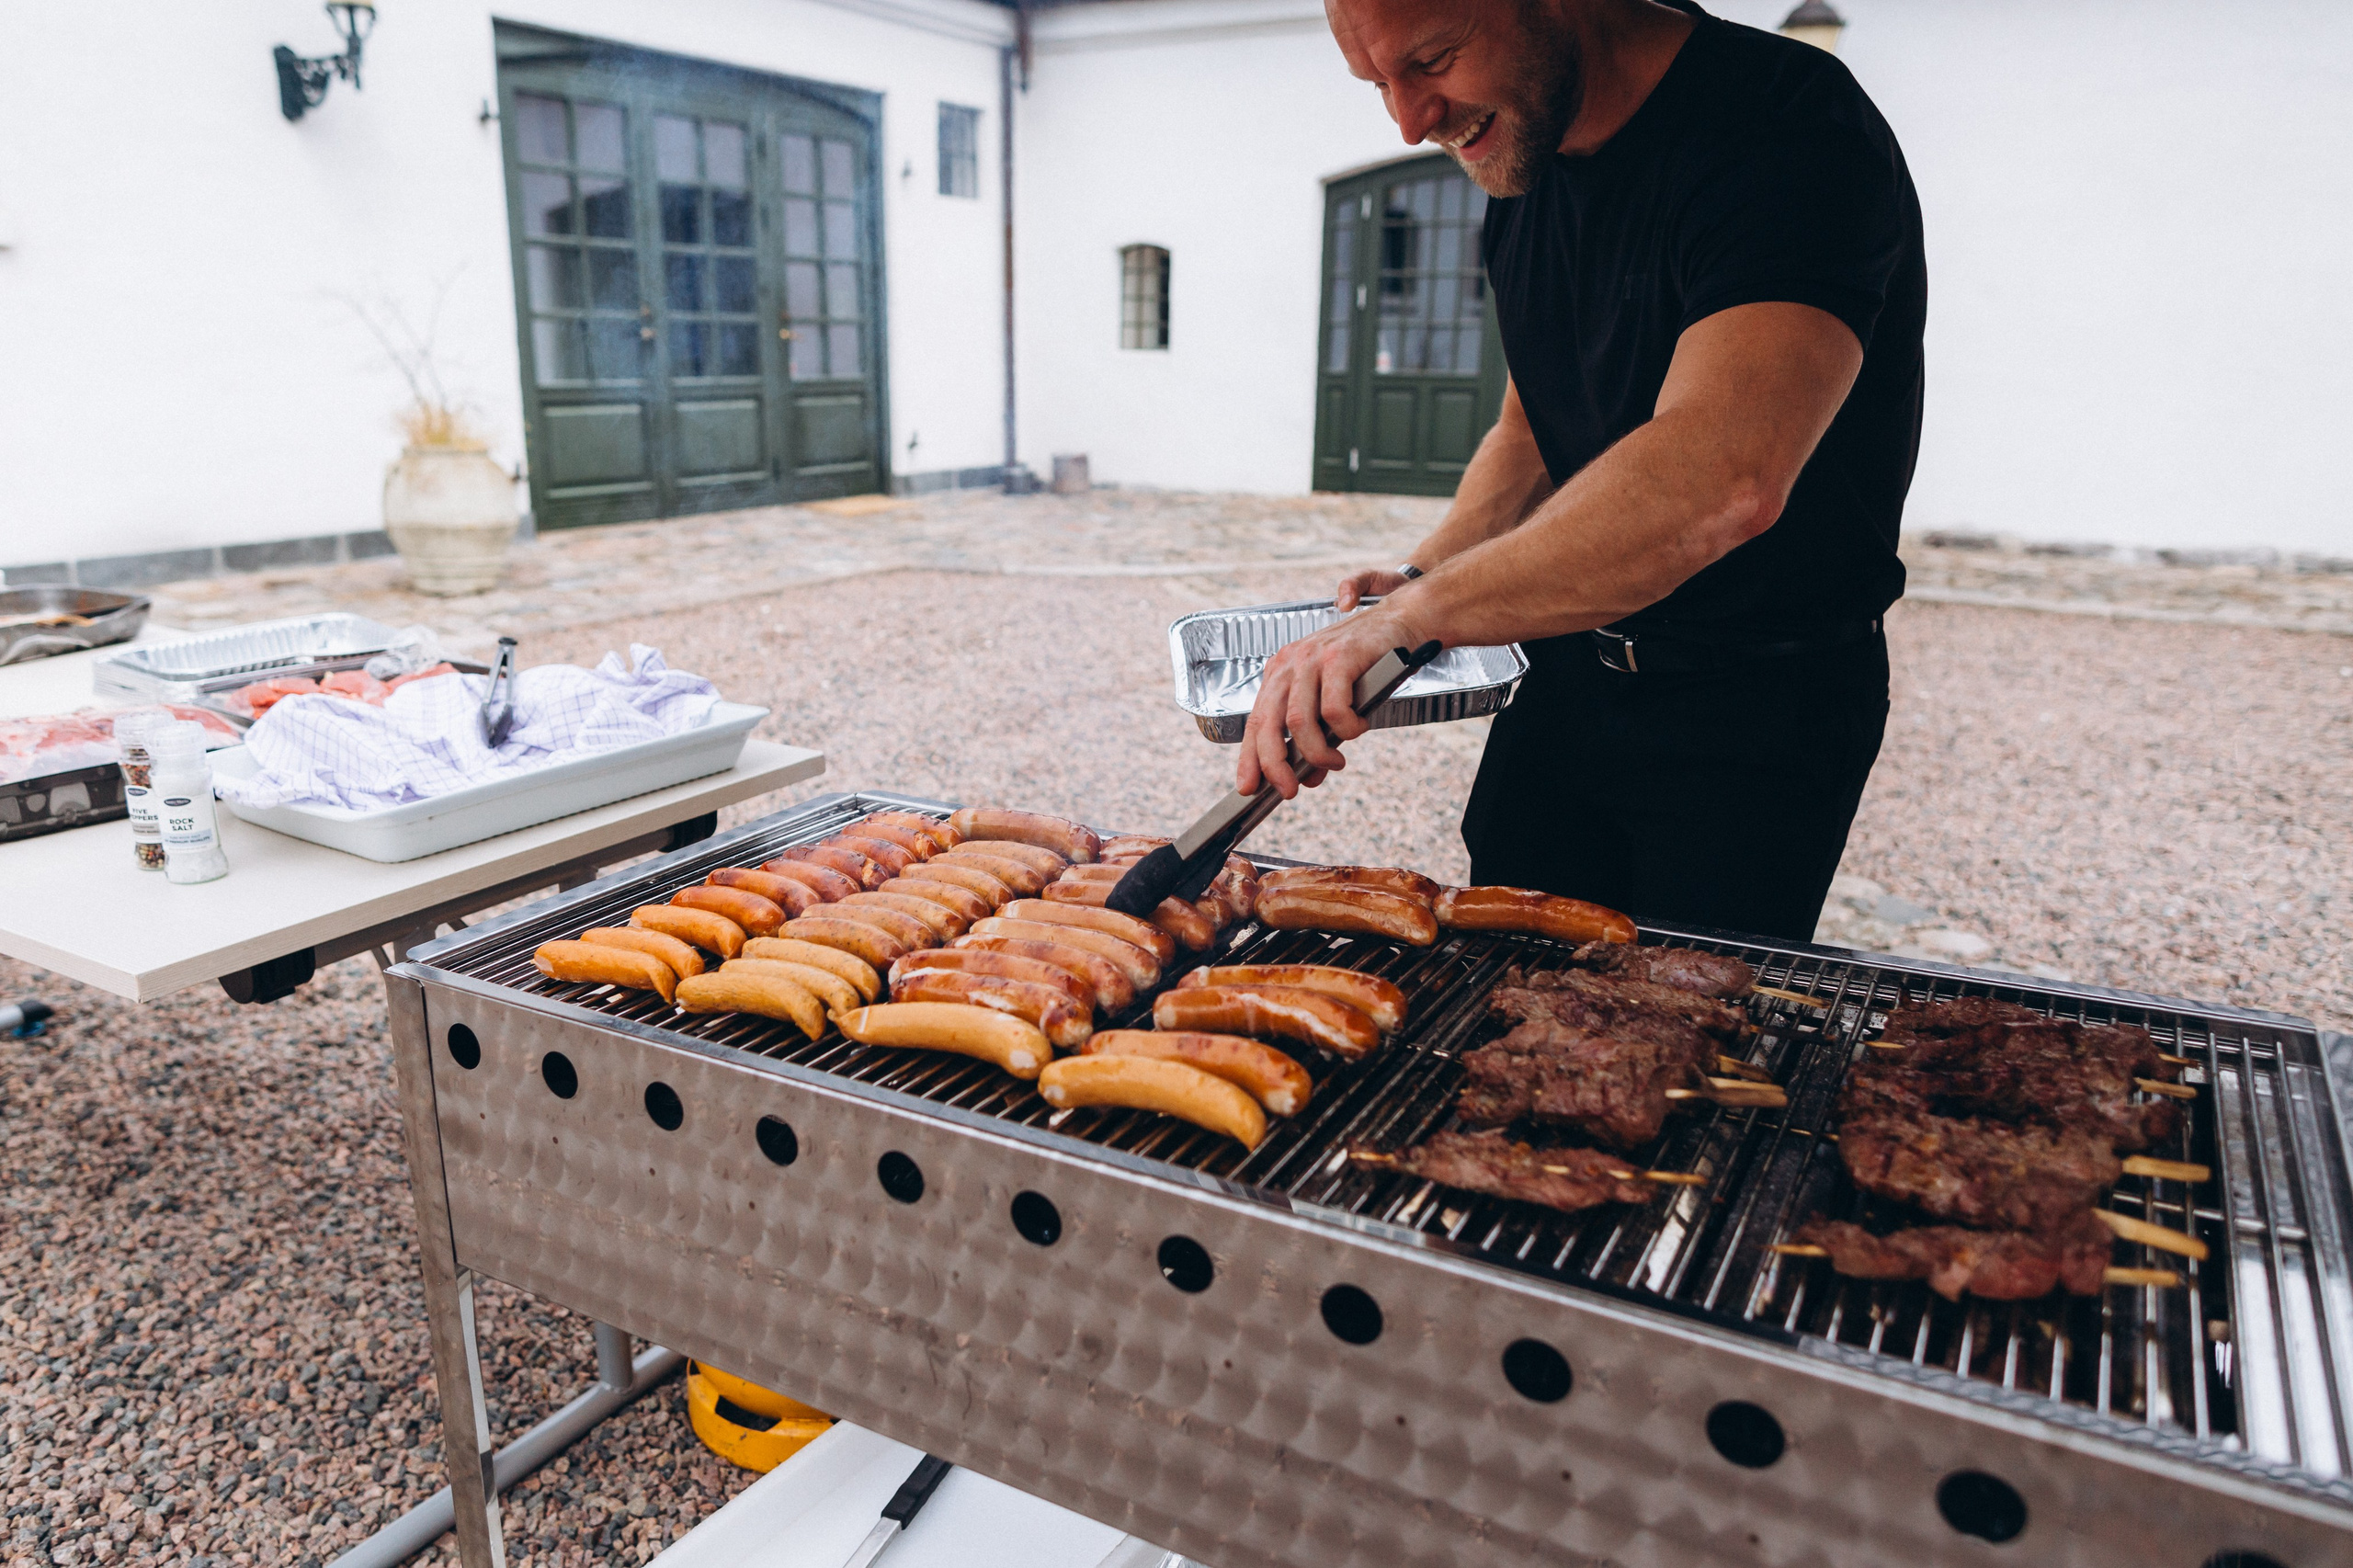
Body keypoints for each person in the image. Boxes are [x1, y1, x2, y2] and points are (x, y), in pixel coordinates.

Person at [1240, 0, 1926, 940]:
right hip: (1566, 675)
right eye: (1377, 86)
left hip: (1756, 703)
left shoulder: (1789, 128)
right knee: (1504, 982)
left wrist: (1414, 618)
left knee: (1676, 1036)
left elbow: (1724, 479)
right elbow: (1535, 415)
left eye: (1433, 60)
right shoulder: (1525, 155)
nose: (1408, 122)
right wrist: (1424, 573)